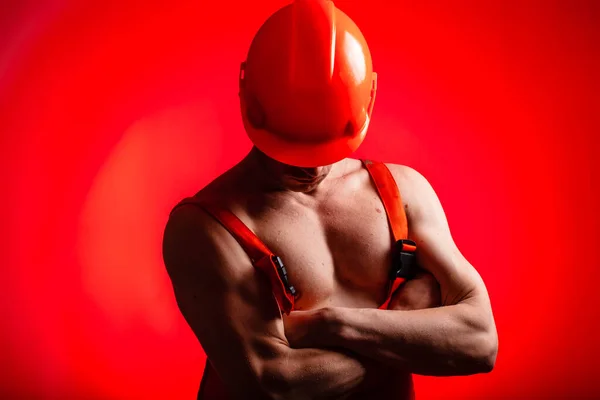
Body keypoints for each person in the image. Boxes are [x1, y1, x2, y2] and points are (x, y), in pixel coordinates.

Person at [162, 1, 498, 399]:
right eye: (287, 147)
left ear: (368, 101)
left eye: (324, 148)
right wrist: (403, 326)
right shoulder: (203, 228)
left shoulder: (402, 193)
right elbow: (274, 384)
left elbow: (479, 342)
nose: (309, 167)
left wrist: (331, 325)